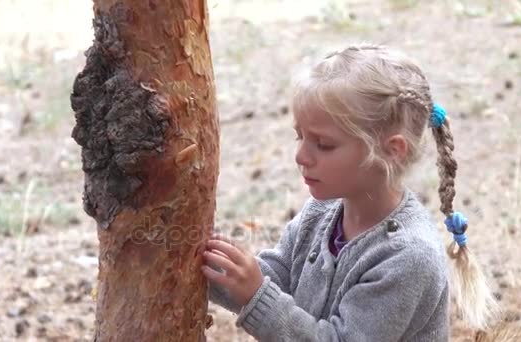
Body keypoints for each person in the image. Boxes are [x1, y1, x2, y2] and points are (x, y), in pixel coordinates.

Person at [201, 44, 497, 341]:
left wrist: (256, 294)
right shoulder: (320, 213)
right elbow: (275, 279)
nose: (300, 156)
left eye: (323, 144)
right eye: (300, 136)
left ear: (391, 151)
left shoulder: (408, 257)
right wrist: (206, 263)